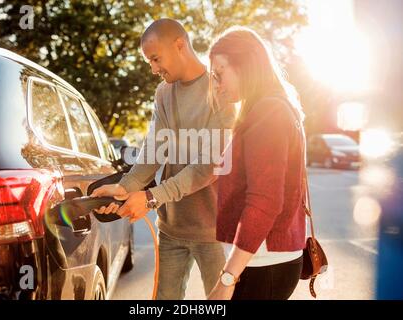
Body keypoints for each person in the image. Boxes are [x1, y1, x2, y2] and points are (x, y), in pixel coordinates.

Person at [91, 18, 235, 300]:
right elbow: (154, 151)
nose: (154, 69)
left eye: (156, 59)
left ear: (179, 45)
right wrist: (125, 186)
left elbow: (209, 166)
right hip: (171, 229)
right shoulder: (164, 93)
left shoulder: (221, 91)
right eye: (149, 62)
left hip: (215, 232)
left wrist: (152, 197)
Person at [207, 26, 306, 300]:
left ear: (246, 66)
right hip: (265, 259)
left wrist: (228, 277)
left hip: (265, 264)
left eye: (220, 73)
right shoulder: (267, 108)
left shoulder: (269, 112)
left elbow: (265, 200)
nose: (217, 84)